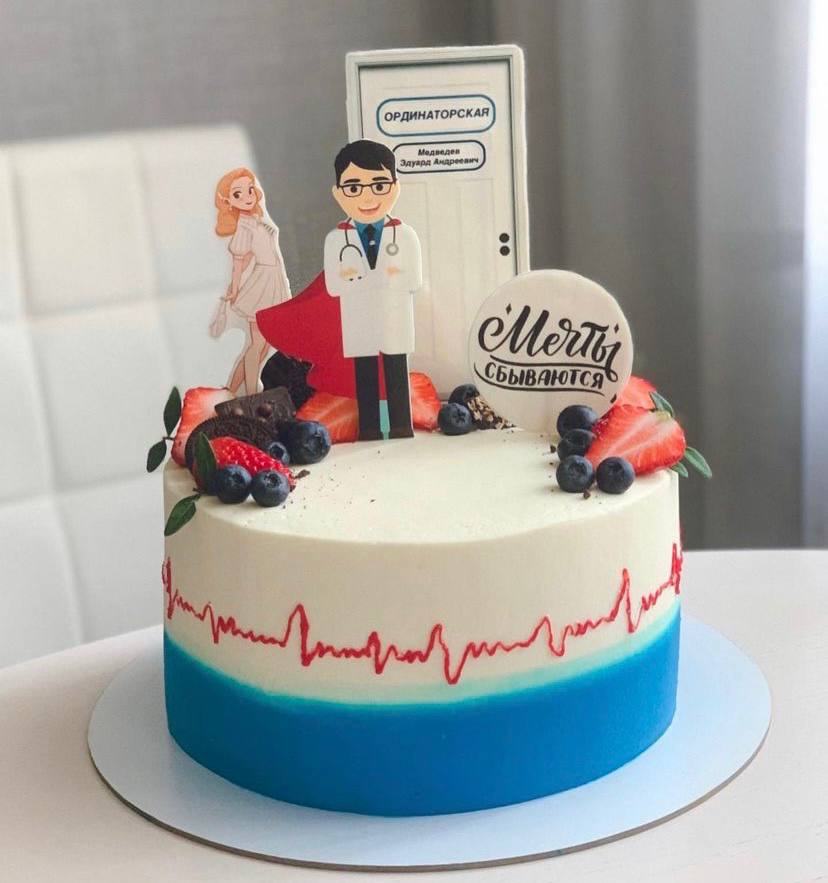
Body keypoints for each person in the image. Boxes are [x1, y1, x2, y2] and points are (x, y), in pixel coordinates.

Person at [323, 140, 422, 440]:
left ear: (395, 187)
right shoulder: (336, 239)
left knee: (396, 371)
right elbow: (333, 286)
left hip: (395, 314)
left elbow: (414, 280)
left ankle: (401, 425)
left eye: (379, 186)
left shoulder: (404, 235)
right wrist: (374, 280)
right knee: (364, 374)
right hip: (358, 317)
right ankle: (369, 429)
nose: (367, 197)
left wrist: (376, 279)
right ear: (338, 193)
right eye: (354, 188)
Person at [212, 167, 291, 396]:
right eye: (238, 194)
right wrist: (235, 287)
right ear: (228, 201)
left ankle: (231, 391)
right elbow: (240, 259)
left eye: (250, 190)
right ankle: (253, 392)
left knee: (261, 346)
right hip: (262, 284)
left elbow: (246, 257)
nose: (247, 197)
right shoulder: (245, 225)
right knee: (257, 344)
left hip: (273, 279)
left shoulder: (255, 219)